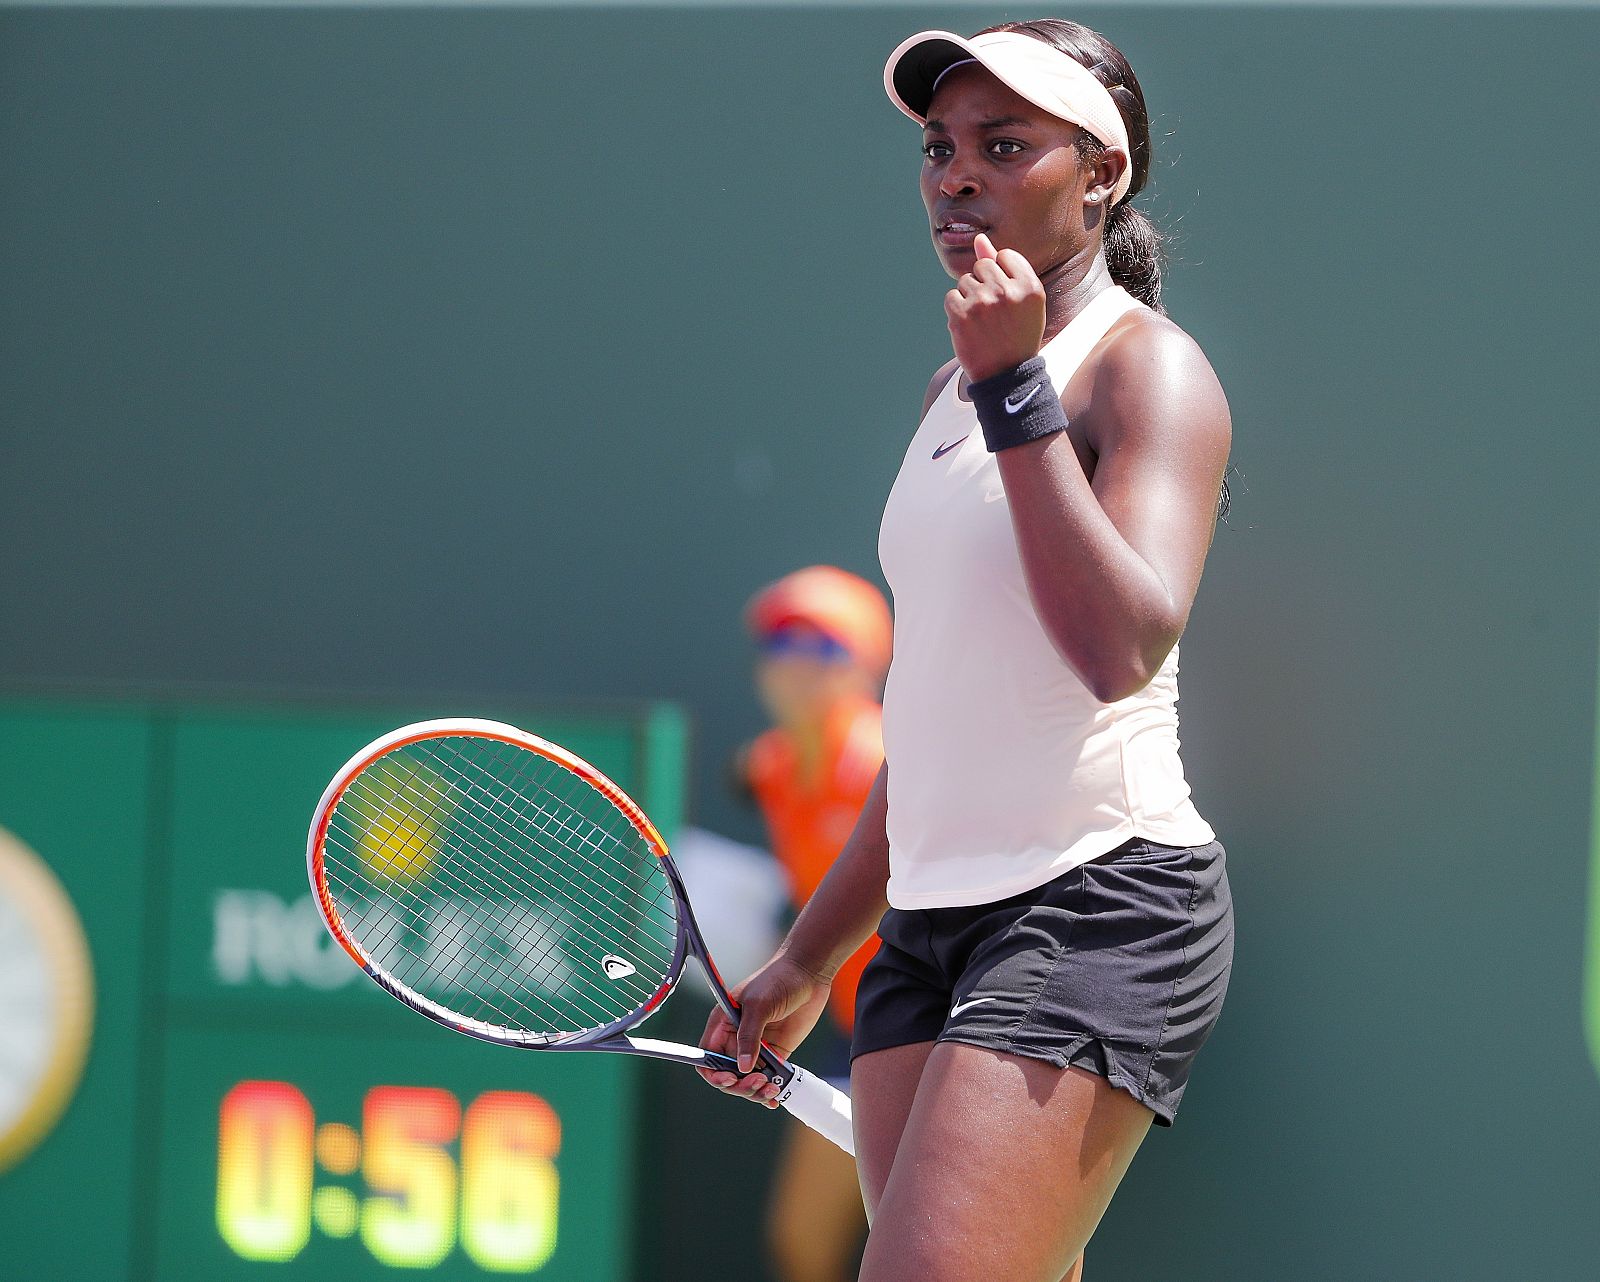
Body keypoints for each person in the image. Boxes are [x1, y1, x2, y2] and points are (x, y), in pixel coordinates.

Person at [700, 19, 1234, 1282]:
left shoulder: (1147, 375)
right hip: (925, 937)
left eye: (1004, 146)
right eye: (939, 149)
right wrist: (805, 955)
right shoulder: (950, 398)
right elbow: (935, 729)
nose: (954, 177)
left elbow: (1121, 648)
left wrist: (1015, 395)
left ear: (1100, 173)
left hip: (1100, 904)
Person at [736, 566, 891, 1282]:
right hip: (843, 1029)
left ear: (863, 665)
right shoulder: (770, 768)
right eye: (782, 644)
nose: (796, 665)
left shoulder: (881, 761)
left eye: (822, 648)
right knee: (801, 1245)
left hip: (934, 1028)